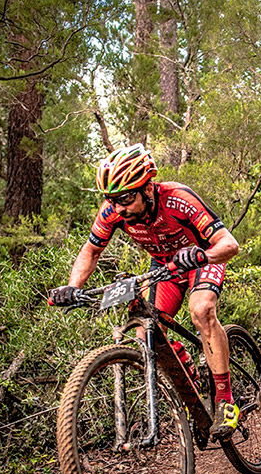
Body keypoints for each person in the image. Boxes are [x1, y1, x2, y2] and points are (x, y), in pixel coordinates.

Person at [48, 143, 241, 440]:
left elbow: (229, 245)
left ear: (147, 188)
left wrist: (203, 255)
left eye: (125, 198)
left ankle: (225, 399)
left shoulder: (178, 199)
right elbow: (91, 251)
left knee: (201, 309)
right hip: (165, 268)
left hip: (201, 259)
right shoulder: (113, 211)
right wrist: (73, 287)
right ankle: (191, 382)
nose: (119, 207)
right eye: (112, 199)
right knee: (144, 335)